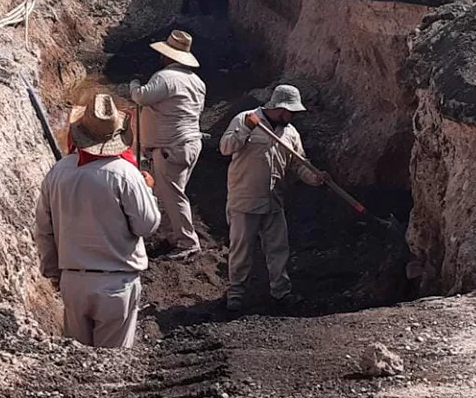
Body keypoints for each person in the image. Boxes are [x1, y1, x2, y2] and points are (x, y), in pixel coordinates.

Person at [34, 93, 161, 349]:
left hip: (74, 281)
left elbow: (44, 231)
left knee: (77, 367)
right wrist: (148, 191)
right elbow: (147, 226)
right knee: (112, 365)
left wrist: (54, 273)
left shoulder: (57, 172)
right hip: (116, 283)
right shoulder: (126, 174)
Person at [219, 85, 329, 313]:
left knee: (278, 249)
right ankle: (236, 293)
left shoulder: (291, 133)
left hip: (273, 201)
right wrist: (246, 129)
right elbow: (226, 147)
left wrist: (315, 177)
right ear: (280, 108)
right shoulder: (246, 119)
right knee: (241, 249)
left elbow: (299, 165)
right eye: (291, 111)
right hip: (245, 199)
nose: (294, 116)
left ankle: (281, 292)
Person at [129, 31, 206, 261]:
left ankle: (186, 242)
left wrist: (134, 84)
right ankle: (174, 235)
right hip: (190, 143)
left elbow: (141, 97)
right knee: (174, 193)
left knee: (173, 195)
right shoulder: (197, 81)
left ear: (168, 56)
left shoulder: (165, 77)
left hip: (171, 147)